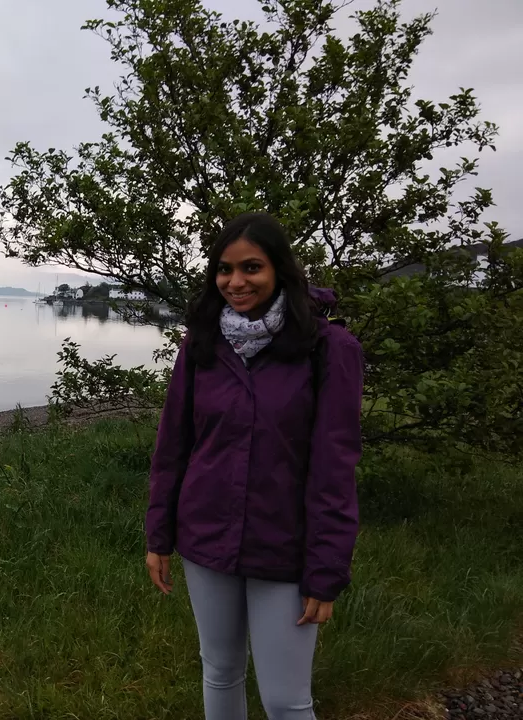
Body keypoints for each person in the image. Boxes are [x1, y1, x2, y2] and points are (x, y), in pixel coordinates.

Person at [145, 212, 364, 720]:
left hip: (284, 547)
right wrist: (159, 536)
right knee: (219, 673)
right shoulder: (202, 345)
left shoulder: (329, 350)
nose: (236, 282)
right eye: (224, 270)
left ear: (279, 271)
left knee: (286, 702)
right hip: (205, 538)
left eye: (251, 268)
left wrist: (326, 568)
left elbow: (335, 467)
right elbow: (173, 447)